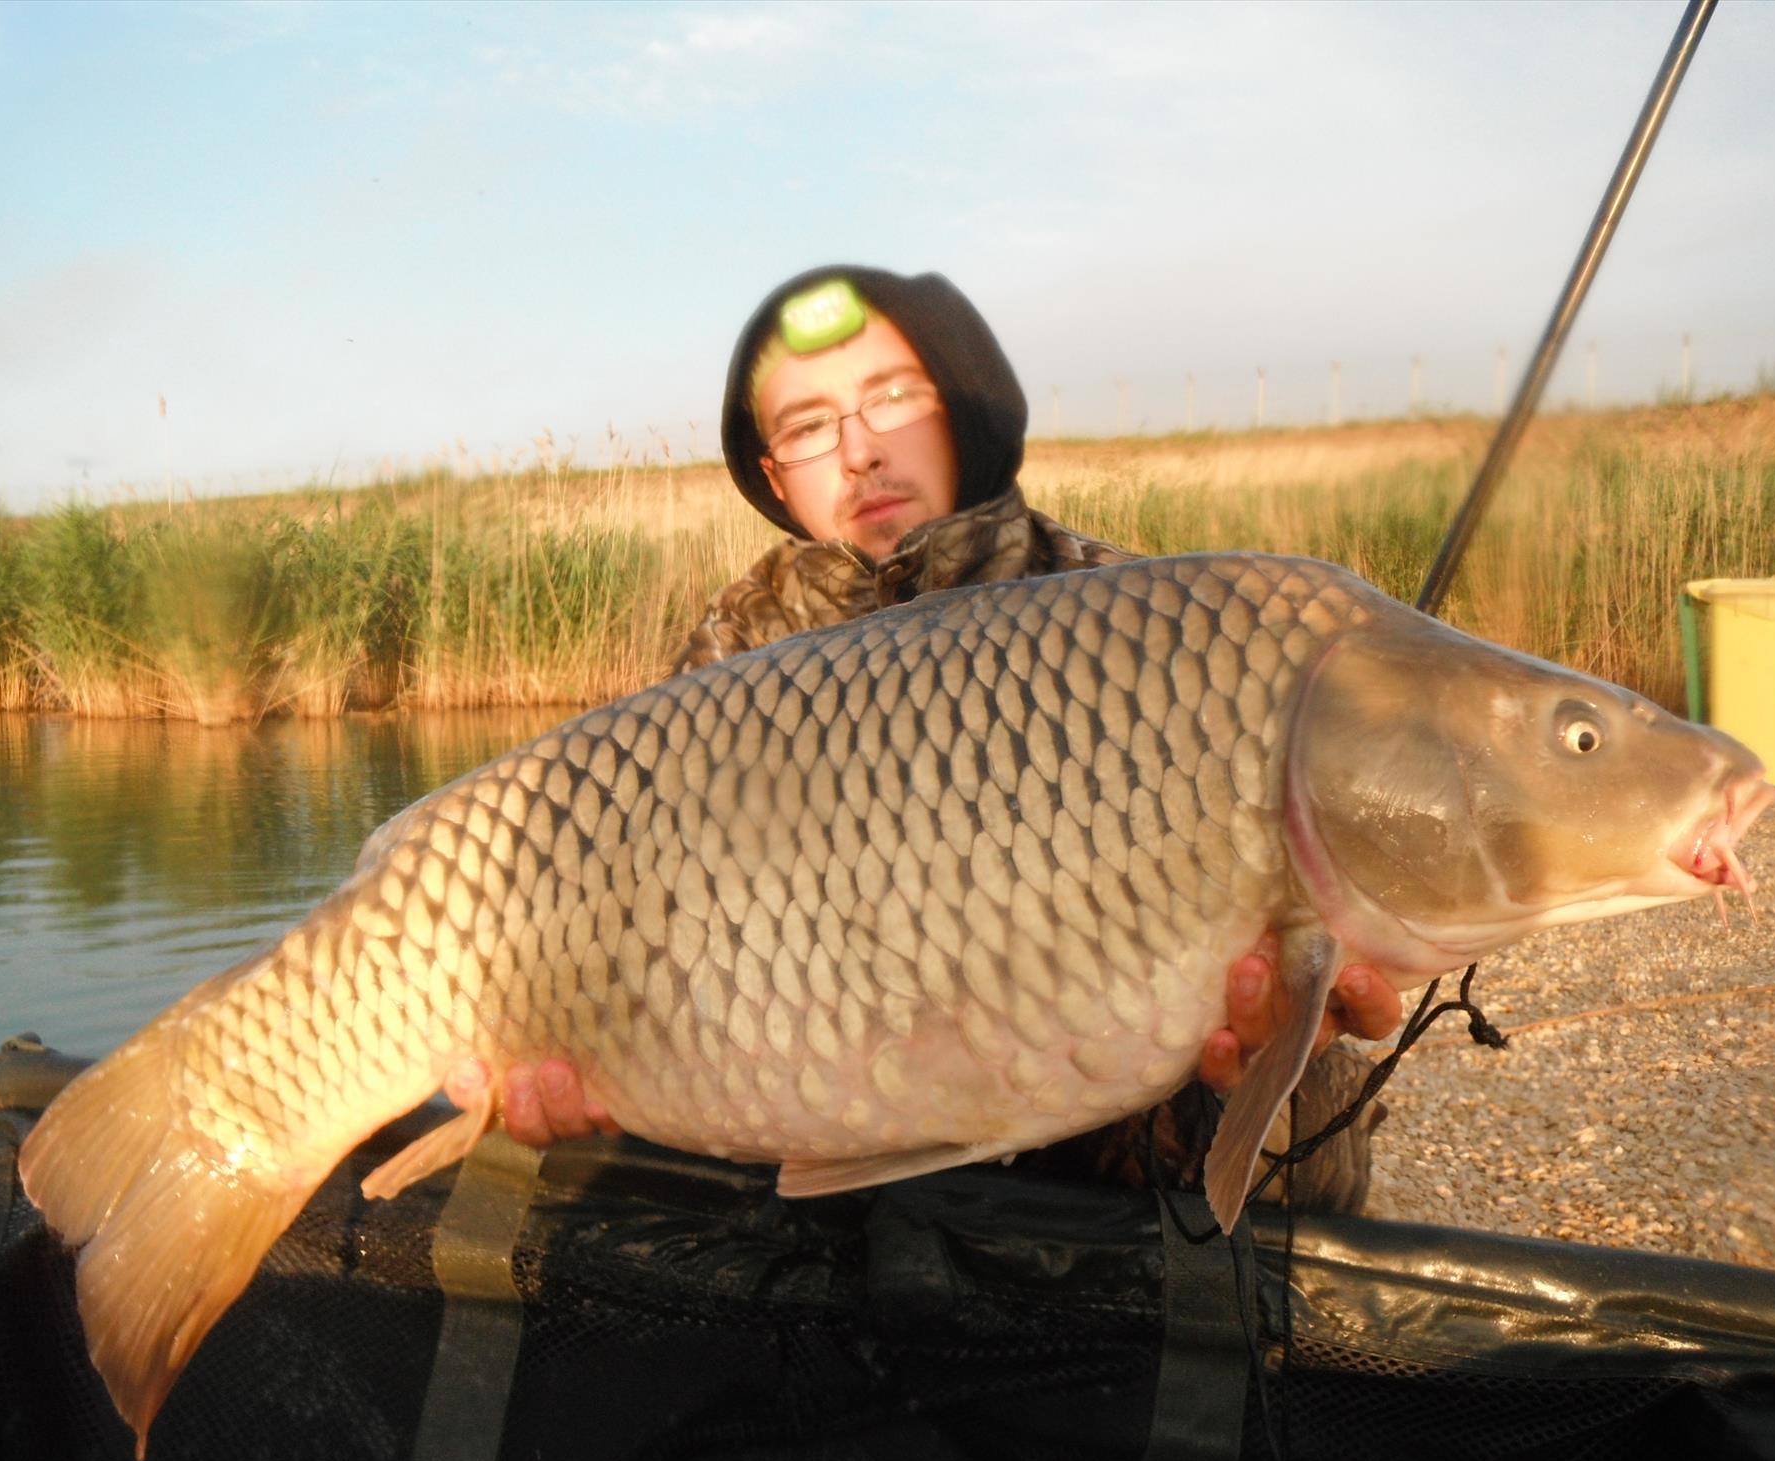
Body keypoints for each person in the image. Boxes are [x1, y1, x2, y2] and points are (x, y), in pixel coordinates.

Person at [465, 266, 1404, 1205]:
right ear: (773, 477)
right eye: (806, 427)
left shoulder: (1152, 634)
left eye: (892, 399)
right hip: (815, 1205)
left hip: (1092, 1214)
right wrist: (582, 1066)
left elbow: (1326, 1192)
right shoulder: (724, 670)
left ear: (961, 412)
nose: (859, 451)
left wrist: (1275, 1056)